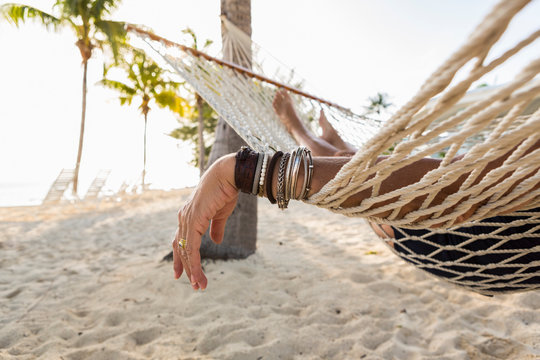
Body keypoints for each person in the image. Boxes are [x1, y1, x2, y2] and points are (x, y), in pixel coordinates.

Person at [172, 90, 539, 293]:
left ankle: (307, 132)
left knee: (350, 161)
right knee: (349, 159)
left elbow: (455, 183)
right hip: (466, 225)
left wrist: (247, 170)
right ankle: (323, 140)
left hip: (437, 230)